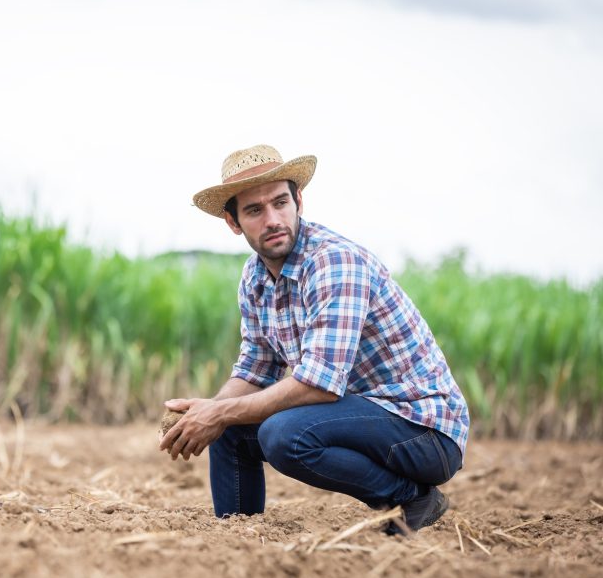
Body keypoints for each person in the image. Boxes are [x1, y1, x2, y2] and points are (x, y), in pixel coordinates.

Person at [158, 144, 469, 535]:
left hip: (423, 430)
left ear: (299, 201)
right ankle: (238, 536)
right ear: (233, 223)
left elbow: (319, 385)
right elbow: (256, 367)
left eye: (280, 202)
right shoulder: (254, 278)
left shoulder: (333, 262)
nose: (272, 219)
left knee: (281, 433)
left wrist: (217, 412)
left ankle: (409, 498)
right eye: (254, 210)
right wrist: (205, 412)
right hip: (361, 417)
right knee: (229, 423)